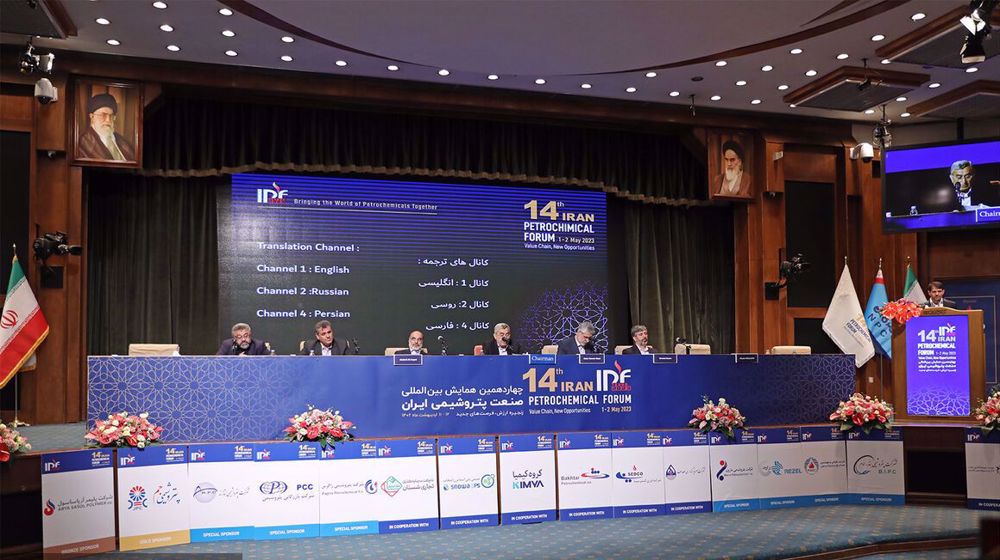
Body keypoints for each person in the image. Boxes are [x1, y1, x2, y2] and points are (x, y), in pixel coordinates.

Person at [77, 93, 137, 161]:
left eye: (111, 116)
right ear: (92, 117)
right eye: (103, 115)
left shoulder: (125, 143)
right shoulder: (82, 145)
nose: (108, 120)